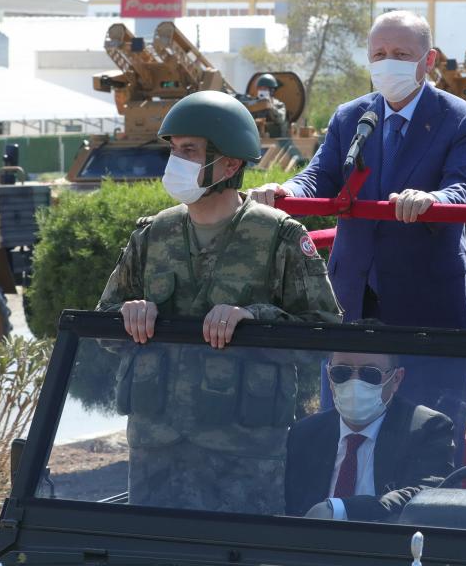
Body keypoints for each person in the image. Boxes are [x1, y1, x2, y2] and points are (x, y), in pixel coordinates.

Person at [248, 10, 466, 457]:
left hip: (427, 297)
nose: (387, 63)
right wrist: (286, 190)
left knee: (429, 430)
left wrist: (432, 199)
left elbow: (464, 187)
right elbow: (319, 175)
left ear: (429, 60)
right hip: (353, 297)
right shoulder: (351, 116)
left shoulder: (460, 118)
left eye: (401, 54)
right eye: (379, 54)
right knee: (344, 426)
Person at [97, 90, 342, 514]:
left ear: (230, 165)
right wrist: (128, 313)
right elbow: (103, 324)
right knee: (150, 545)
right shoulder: (153, 234)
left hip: (243, 452)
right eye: (174, 150)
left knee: (240, 547)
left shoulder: (279, 236)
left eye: (190, 151)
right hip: (157, 447)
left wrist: (254, 319)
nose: (176, 161)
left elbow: (323, 331)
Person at [284, 351, 454, 521]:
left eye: (370, 374)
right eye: (341, 372)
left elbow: (427, 497)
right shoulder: (305, 433)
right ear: (329, 375)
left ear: (396, 379)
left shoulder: (427, 428)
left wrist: (340, 509)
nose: (354, 383)